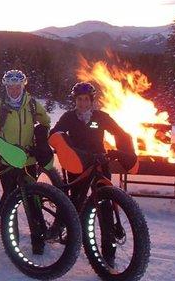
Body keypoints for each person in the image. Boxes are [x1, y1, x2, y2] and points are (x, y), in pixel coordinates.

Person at [49, 81, 137, 265]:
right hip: (78, 164)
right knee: (75, 202)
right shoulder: (68, 117)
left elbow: (121, 134)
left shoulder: (101, 117)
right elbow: (55, 133)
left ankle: (109, 251)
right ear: (75, 100)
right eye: (79, 99)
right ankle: (66, 234)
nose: (82, 103)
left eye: (86, 99)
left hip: (100, 164)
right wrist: (63, 145)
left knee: (105, 206)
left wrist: (126, 155)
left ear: (91, 100)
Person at [0, 69, 51, 255]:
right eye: (10, 87)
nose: (14, 90)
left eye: (17, 86)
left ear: (23, 86)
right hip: (6, 162)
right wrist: (3, 148)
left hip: (28, 160)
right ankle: (12, 239)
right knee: (10, 200)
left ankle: (39, 237)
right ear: (5, 87)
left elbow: (45, 122)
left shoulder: (33, 105)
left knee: (33, 199)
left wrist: (42, 138)